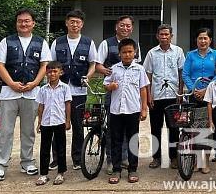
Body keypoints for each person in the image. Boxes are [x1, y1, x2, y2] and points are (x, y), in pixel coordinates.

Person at [0, 8, 52, 181]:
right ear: (16, 23)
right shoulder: (6, 42)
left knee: (28, 130)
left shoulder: (40, 42)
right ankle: (0, 165)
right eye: (20, 21)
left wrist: (34, 83)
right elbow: (0, 65)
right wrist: (11, 83)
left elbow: (44, 66)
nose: (23, 24)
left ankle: (27, 162)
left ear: (33, 23)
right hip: (9, 93)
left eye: (27, 21)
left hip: (32, 94)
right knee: (5, 131)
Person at [50, 10, 98, 170]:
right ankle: (56, 158)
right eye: (72, 22)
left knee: (78, 126)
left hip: (79, 91)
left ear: (82, 24)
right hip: (59, 90)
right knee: (57, 124)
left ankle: (77, 158)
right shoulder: (57, 42)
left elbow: (93, 63)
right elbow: (51, 65)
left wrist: (88, 77)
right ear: (66, 23)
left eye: (78, 22)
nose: (75, 25)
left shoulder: (88, 43)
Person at [95, 15, 141, 174]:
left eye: (128, 26)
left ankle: (125, 158)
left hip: (130, 94)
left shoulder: (135, 45)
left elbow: (137, 67)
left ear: (132, 28)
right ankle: (111, 160)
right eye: (122, 25)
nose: (125, 28)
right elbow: (97, 65)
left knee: (129, 129)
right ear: (116, 27)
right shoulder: (106, 43)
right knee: (113, 129)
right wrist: (111, 73)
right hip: (112, 91)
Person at [104, 38, 149, 184]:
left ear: (135, 52)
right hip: (116, 110)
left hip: (133, 110)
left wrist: (144, 108)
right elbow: (106, 84)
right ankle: (116, 169)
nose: (127, 55)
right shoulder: (114, 68)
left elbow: (143, 89)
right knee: (116, 140)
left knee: (132, 139)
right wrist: (111, 86)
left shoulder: (139, 69)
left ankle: (133, 168)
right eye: (124, 52)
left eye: (130, 52)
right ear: (119, 54)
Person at [143, 24, 185, 169]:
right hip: (156, 97)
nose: (164, 37)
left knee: (173, 128)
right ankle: (156, 157)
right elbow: (147, 75)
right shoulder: (151, 53)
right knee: (155, 128)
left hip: (173, 96)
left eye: (167, 34)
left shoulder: (178, 52)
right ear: (157, 36)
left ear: (171, 36)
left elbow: (181, 74)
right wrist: (149, 95)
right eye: (161, 34)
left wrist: (180, 92)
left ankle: (173, 157)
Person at [183, 27, 216, 174]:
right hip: (194, 95)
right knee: (194, 129)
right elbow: (185, 74)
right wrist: (194, 89)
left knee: (207, 129)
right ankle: (195, 161)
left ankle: (204, 161)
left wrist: (206, 90)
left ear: (210, 40)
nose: (203, 41)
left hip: (210, 96)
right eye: (200, 38)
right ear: (196, 40)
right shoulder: (190, 55)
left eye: (205, 38)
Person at [35, 61, 72, 186]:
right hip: (46, 122)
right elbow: (41, 106)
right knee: (44, 149)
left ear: (61, 72)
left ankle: (61, 173)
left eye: (55, 71)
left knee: (60, 148)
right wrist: (39, 122)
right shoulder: (43, 89)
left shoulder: (65, 88)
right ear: (46, 73)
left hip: (59, 121)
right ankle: (43, 174)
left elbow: (67, 104)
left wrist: (68, 120)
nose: (52, 74)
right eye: (49, 71)